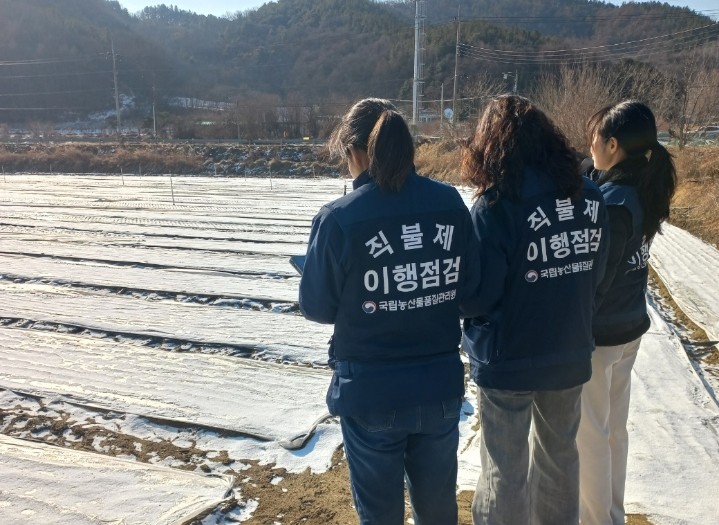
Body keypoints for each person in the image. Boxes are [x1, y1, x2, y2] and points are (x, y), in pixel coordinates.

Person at [299, 98, 482, 525]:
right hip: (438, 386)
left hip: (371, 392)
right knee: (438, 509)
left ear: (355, 152)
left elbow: (317, 306)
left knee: (379, 514)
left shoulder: (339, 218)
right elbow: (471, 291)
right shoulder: (448, 204)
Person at [460, 95, 609, 525]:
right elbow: (597, 274)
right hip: (569, 351)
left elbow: (480, 295)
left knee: (504, 469)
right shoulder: (589, 197)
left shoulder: (495, 206)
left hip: (508, 358)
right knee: (560, 457)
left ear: (491, 147)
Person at [577, 100, 677, 525]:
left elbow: (598, 278)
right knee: (614, 432)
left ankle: (596, 519)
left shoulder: (614, 202)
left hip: (602, 335)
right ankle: (612, 515)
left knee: (590, 437)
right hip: (628, 327)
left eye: (595, 139)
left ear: (613, 145)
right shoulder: (641, 186)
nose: (591, 146)